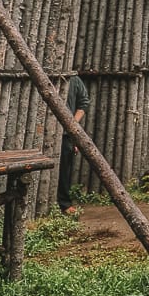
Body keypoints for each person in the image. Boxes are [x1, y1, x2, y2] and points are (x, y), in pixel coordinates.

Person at [58, 73, 90, 214]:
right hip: (43, 132)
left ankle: (64, 203)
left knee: (65, 170)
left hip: (66, 134)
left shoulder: (74, 79)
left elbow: (84, 103)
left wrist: (71, 123)